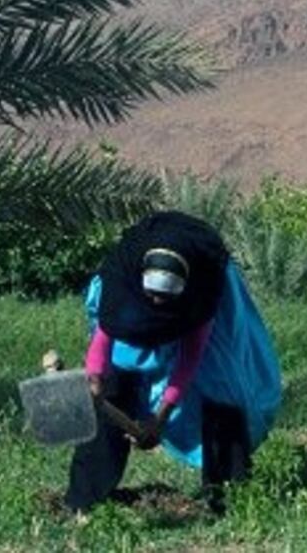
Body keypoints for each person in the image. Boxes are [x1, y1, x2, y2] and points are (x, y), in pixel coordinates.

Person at [66, 211, 282, 515]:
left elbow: (191, 356)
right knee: (113, 387)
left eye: (164, 300)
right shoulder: (120, 284)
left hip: (202, 301)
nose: (157, 306)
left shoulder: (203, 290)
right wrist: (95, 380)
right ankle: (83, 501)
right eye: (152, 297)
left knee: (220, 389)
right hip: (130, 305)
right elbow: (104, 336)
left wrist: (161, 417)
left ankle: (228, 498)